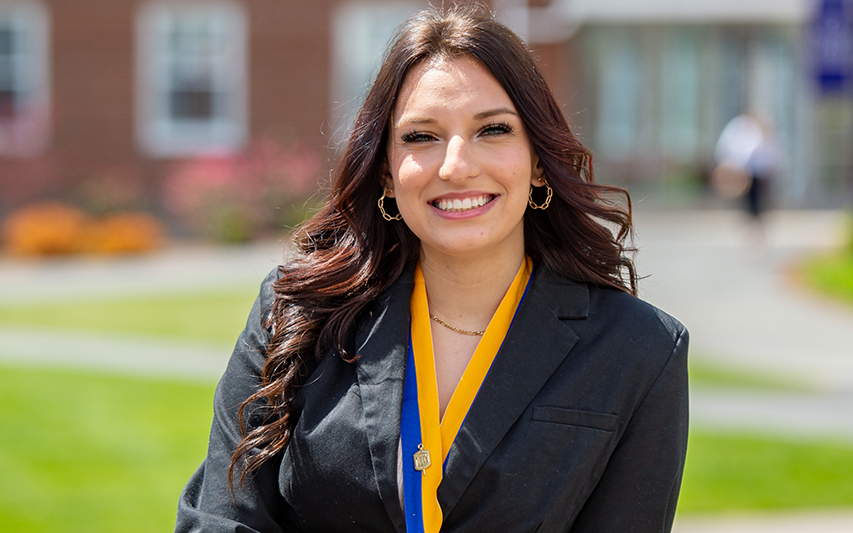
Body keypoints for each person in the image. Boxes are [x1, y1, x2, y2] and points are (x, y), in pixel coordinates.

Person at [175, 5, 688, 533]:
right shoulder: (296, 315)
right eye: (422, 137)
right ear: (388, 174)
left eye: (493, 129)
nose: (456, 165)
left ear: (538, 161)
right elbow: (221, 520)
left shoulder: (639, 350)